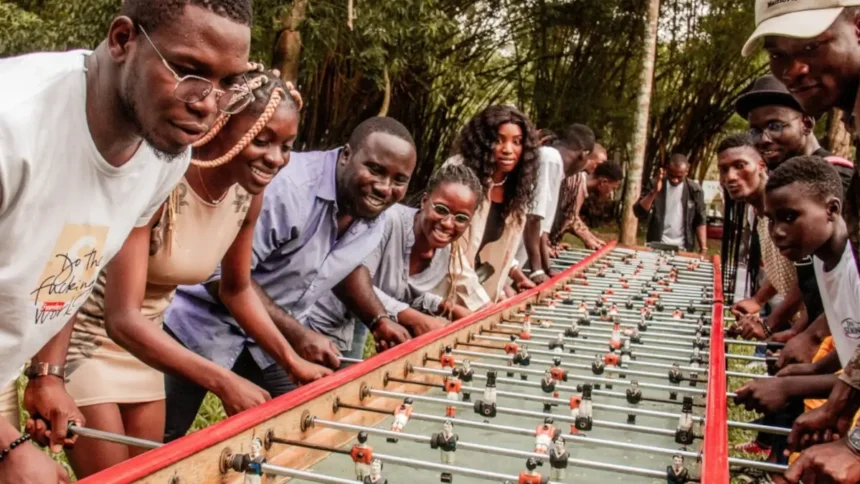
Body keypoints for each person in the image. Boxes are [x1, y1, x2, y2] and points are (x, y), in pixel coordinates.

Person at [0, 0, 254, 481]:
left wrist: (47, 372)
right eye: (189, 70)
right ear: (122, 40)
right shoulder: (11, 126)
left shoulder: (164, 154)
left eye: (228, 85)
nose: (207, 104)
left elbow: (77, 254)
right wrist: (7, 449)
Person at [36, 69, 325, 478]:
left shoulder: (247, 195)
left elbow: (237, 289)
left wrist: (291, 360)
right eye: (262, 140)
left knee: (148, 476)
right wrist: (223, 381)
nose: (276, 158)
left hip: (145, 350)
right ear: (220, 126)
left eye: (287, 146)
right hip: (87, 339)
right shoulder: (161, 181)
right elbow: (122, 318)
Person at [163, 117, 418, 441]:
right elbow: (221, 278)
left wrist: (378, 320)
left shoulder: (373, 212)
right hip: (199, 324)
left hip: (266, 341)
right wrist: (298, 337)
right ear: (346, 155)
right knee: (162, 443)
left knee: (303, 431)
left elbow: (339, 266)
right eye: (376, 170)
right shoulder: (288, 189)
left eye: (400, 180)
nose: (385, 188)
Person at [306, 164, 484, 360]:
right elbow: (350, 278)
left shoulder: (445, 253)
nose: (448, 223)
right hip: (316, 321)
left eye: (461, 218)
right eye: (441, 209)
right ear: (425, 201)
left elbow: (402, 292)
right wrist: (411, 317)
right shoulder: (385, 220)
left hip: (362, 325)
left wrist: (446, 307)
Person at [730, 74, 855, 346]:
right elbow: (817, 280)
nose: (763, 139)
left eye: (775, 125)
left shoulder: (835, 179)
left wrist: (811, 337)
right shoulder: (787, 185)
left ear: (807, 123)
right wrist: (796, 330)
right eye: (755, 131)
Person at [443, 105, 541, 304]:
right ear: (482, 141)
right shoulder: (460, 173)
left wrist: (513, 274)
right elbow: (449, 250)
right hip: (439, 290)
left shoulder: (516, 185)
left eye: (517, 142)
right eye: (498, 140)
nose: (508, 150)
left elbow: (493, 245)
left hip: (475, 294)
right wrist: (481, 303)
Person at [515, 124, 595, 284]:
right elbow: (533, 217)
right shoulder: (549, 159)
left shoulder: (556, 166)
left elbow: (542, 231)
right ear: (583, 154)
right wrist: (536, 271)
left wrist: (547, 269)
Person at [634, 153, 707, 254]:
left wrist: (703, 248)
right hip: (656, 245)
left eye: (679, 176)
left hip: (683, 248)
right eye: (671, 175)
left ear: (687, 172)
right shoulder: (655, 183)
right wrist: (654, 192)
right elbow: (639, 212)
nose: (675, 180)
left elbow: (700, 220)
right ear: (667, 169)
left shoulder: (695, 190)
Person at [552, 159, 624, 247]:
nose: (611, 193)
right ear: (604, 182)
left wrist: (592, 238)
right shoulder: (572, 184)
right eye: (612, 188)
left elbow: (571, 217)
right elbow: (565, 218)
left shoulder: (579, 184)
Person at [551, 144, 609, 249]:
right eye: (599, 164)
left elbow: (570, 216)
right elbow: (570, 218)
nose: (600, 169)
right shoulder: (573, 178)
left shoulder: (579, 179)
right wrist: (589, 239)